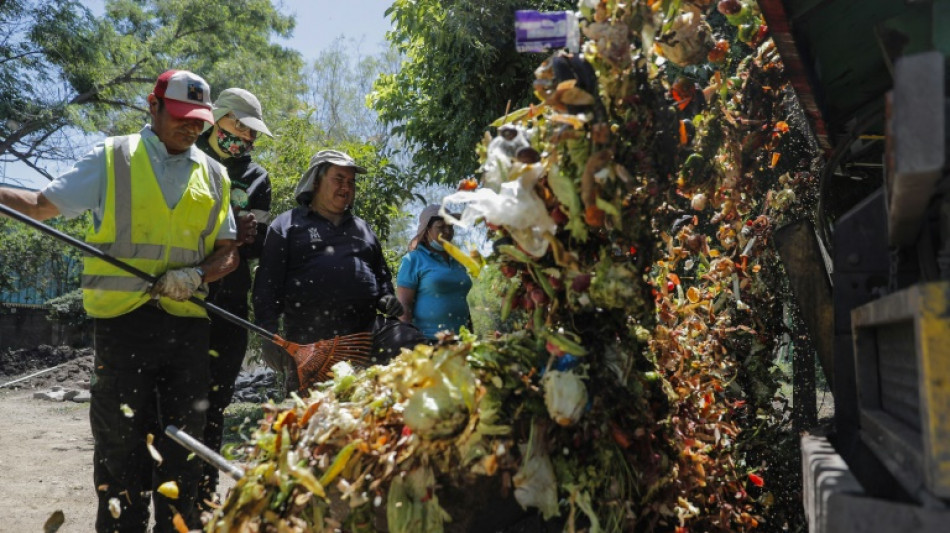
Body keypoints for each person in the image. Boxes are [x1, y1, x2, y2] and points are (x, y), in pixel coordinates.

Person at [0, 69, 240, 532]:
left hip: (187, 327)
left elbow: (228, 253)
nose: (192, 128)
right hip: (122, 326)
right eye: (182, 117)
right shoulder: (112, 158)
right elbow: (38, 205)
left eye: (200, 121)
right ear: (153, 107)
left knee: (184, 451)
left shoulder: (214, 174)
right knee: (120, 449)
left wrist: (196, 274)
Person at [252, 150, 426, 391]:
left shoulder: (363, 229)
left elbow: (381, 277)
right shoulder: (287, 225)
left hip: (366, 333)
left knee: (412, 344)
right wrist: (268, 333)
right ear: (315, 181)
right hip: (311, 340)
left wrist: (386, 298)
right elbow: (267, 284)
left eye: (351, 182)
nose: (347, 187)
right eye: (339, 179)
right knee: (312, 412)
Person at [194, 87, 273, 509]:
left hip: (228, 305)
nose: (243, 137)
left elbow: (256, 247)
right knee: (176, 400)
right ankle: (171, 496)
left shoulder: (256, 177)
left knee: (215, 407)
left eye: (251, 133)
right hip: (181, 300)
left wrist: (246, 238)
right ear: (217, 117)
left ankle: (204, 498)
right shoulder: (184, 157)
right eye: (238, 126)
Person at [396, 205, 473, 339]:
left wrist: (471, 335)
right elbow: (404, 306)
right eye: (440, 227)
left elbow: (460, 301)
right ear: (426, 231)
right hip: (428, 340)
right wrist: (409, 340)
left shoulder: (458, 262)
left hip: (461, 338)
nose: (447, 231)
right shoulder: (413, 260)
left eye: (450, 226)